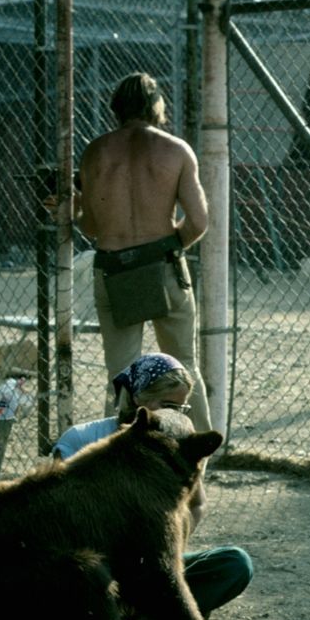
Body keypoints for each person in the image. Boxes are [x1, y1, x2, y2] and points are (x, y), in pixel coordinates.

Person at [52, 353, 253, 619]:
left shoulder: (174, 441)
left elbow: (198, 503)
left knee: (235, 563)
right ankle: (150, 619)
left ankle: (136, 618)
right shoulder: (81, 438)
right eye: (168, 405)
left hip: (149, 566)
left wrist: (171, 540)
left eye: (182, 408)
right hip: (95, 567)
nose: (175, 415)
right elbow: (58, 512)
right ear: (139, 398)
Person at [75, 73, 212, 432]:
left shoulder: (94, 152)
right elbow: (198, 221)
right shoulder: (176, 150)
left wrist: (72, 209)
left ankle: (119, 451)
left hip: (114, 268)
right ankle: (199, 452)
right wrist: (166, 248)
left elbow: (92, 227)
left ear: (116, 108)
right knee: (183, 363)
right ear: (156, 106)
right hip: (163, 264)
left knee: (121, 373)